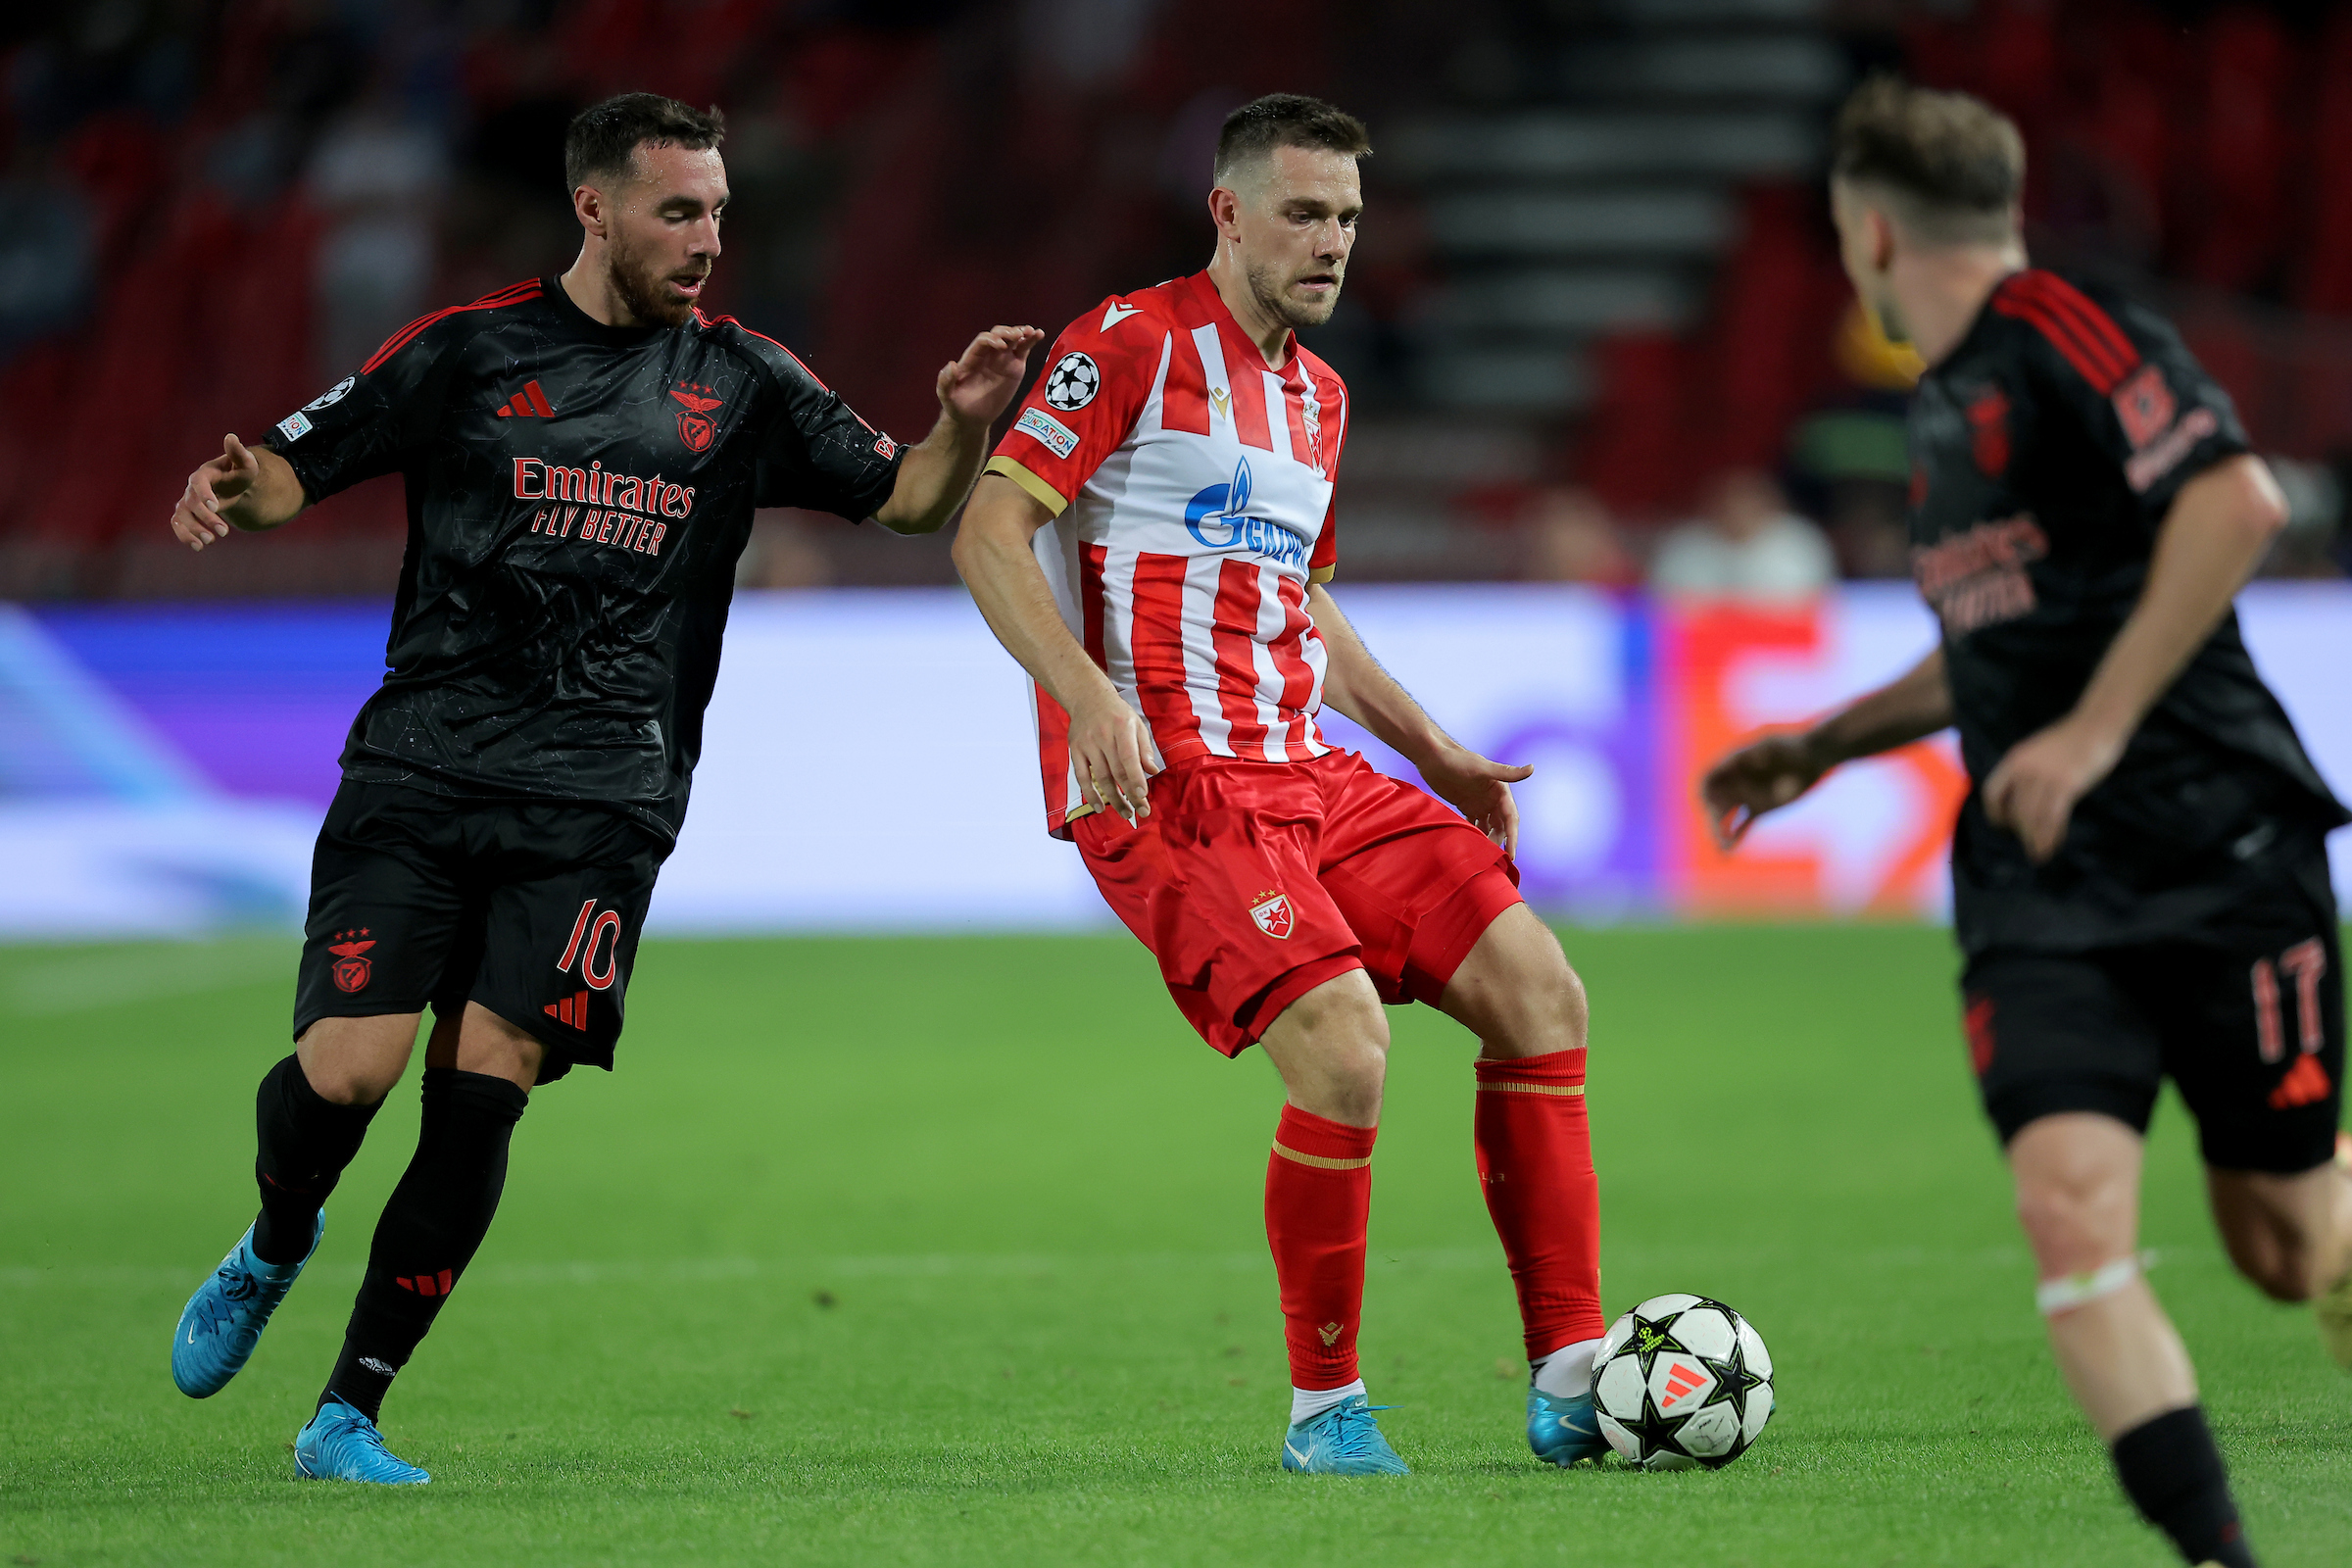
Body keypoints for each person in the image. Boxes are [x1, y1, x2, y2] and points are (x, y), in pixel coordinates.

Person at [164, 91, 1041, 1485]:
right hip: (421, 765)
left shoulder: (745, 380)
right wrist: (236, 487)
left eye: (716, 212)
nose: (705, 239)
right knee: (349, 1069)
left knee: (485, 1084)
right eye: (675, 211)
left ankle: (349, 1412)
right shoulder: (468, 349)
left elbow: (915, 502)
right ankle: (278, 1236)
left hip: (603, 795)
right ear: (595, 208)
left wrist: (958, 422)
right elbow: (291, 468)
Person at [1701, 76, 2352, 1568]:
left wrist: (2097, 727)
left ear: (1868, 231)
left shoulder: (2060, 327)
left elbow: (2237, 502)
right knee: (2071, 1216)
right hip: (2043, 885)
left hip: (2215, 843)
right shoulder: (1937, 406)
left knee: (2281, 1247)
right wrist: (1827, 741)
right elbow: (1993, 639)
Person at [952, 94, 1606, 1476]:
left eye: (1351, 219)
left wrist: (1429, 745)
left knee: (1541, 991)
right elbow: (991, 533)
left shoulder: (1320, 397)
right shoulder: (1127, 344)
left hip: (1309, 771)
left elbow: (1305, 604)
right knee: (1346, 1047)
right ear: (1228, 211)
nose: (1331, 243)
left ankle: (1572, 1372)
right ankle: (1326, 1412)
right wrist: (1088, 699)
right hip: (1169, 787)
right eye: (1304, 213)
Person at [1647, 467, 1837, 601]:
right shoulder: (1686, 544)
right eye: (1728, 502)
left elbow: (1813, 602)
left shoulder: (1798, 540)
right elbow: (1664, 604)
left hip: (1780, 644)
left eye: (1746, 502)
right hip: (1702, 643)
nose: (1736, 511)